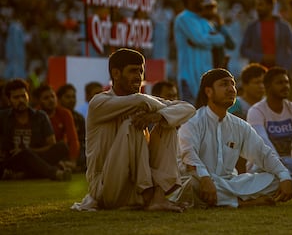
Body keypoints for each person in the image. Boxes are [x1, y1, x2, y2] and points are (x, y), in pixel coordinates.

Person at [72, 48, 195, 212]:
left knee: (167, 125)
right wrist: (160, 110)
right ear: (116, 74)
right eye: (132, 71)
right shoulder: (99, 102)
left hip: (135, 188)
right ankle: (147, 192)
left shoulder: (142, 100)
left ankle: (157, 199)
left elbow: (188, 108)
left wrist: (159, 116)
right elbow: (139, 100)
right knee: (134, 123)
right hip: (107, 188)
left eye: (141, 71)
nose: (139, 76)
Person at [174, 68, 292, 208]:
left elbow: (263, 153)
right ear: (208, 92)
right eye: (224, 84)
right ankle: (242, 203)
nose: (231, 89)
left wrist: (284, 176)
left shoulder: (239, 125)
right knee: (191, 185)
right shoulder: (193, 121)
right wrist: (205, 178)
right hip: (199, 179)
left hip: (229, 183)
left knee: (274, 179)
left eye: (233, 84)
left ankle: (223, 200)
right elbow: (189, 156)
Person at [247, 67, 292, 185]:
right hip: (265, 164)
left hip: (290, 163)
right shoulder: (256, 111)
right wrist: (280, 167)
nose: (285, 86)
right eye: (280, 83)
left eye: (287, 82)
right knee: (266, 173)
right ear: (267, 86)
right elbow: (263, 142)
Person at [0, 78, 71, 181]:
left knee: (62, 147)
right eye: (16, 97)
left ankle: (23, 175)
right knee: (24, 154)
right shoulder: (3, 117)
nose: (21, 100)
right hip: (12, 161)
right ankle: (55, 173)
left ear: (28, 96)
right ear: (9, 100)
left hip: (37, 157)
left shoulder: (40, 116)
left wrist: (30, 150)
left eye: (23, 96)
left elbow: (51, 145)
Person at [174, 0, 225, 104]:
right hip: (188, 75)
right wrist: (207, 41)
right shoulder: (183, 19)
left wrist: (204, 42)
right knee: (190, 115)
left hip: (205, 76)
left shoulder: (204, 21)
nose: (202, 0)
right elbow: (200, 39)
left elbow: (221, 40)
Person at [240, 0, 292, 71]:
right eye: (256, 5)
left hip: (278, 70)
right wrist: (261, 57)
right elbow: (243, 49)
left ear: (270, 6)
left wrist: (286, 66)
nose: (257, 8)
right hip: (258, 72)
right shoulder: (252, 27)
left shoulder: (284, 26)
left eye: (261, 5)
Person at [34, 84, 80, 171]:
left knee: (62, 146)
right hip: (39, 152)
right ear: (39, 101)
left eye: (52, 96)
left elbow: (73, 139)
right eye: (46, 98)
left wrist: (73, 161)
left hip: (58, 152)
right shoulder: (35, 114)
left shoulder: (65, 113)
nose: (51, 100)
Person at [56, 83, 86, 171]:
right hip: (61, 150)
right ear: (59, 99)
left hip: (78, 151)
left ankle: (70, 166)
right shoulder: (54, 115)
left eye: (73, 97)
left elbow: (84, 139)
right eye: (68, 97)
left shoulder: (79, 118)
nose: (72, 100)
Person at [200, 0, 235, 69]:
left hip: (218, 68)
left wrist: (221, 26)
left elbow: (231, 45)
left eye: (212, 8)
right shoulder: (197, 27)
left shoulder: (217, 27)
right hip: (204, 67)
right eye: (207, 8)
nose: (210, 11)